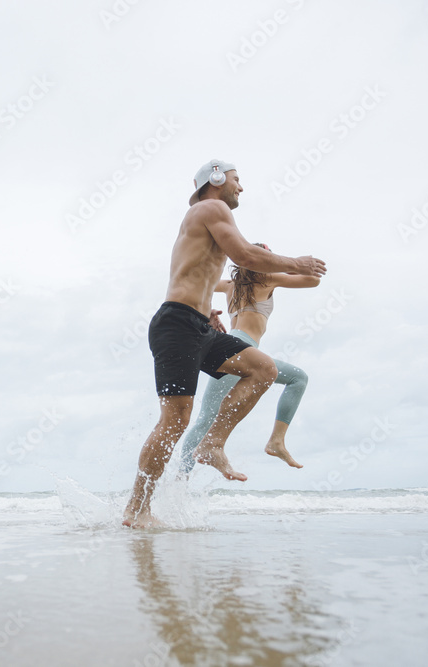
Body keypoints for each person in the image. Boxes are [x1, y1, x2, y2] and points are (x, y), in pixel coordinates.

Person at [122, 159, 326, 529]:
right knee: (175, 420)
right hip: (177, 324)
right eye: (236, 180)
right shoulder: (210, 207)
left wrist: (205, 313)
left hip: (200, 326)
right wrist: (297, 263)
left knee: (264, 369)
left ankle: (213, 444)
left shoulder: (210, 217)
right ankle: (137, 509)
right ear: (215, 180)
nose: (240, 188)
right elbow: (246, 256)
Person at [177, 243, 318, 476]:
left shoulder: (231, 285)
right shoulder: (268, 280)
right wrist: (289, 266)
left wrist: (206, 311)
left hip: (237, 345)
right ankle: (180, 480)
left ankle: (276, 442)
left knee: (297, 379)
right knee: (206, 419)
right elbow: (313, 280)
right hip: (242, 347)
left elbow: (197, 284)